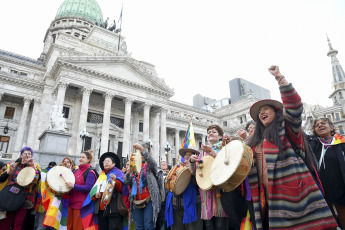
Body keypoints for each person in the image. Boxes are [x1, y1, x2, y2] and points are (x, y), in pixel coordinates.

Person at [244, 65, 337, 229]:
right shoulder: (253, 143)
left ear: (277, 112)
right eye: (259, 112)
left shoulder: (287, 129)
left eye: (266, 108)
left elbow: (294, 105)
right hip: (267, 199)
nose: (262, 112)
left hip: (296, 196)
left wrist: (280, 78)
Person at [190, 124, 229, 230]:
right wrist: (192, 161)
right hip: (206, 195)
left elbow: (227, 166)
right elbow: (196, 173)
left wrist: (212, 152)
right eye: (208, 132)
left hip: (220, 194)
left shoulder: (225, 148)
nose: (210, 133)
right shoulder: (202, 153)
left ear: (220, 136)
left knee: (221, 225)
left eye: (214, 132)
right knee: (208, 226)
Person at [308, 117, 345, 228]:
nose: (320, 125)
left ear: (331, 127)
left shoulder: (341, 143)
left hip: (340, 188)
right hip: (320, 190)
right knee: (328, 222)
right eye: (316, 125)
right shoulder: (312, 144)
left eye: (323, 123)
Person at [82, 152, 130, 230]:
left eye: (108, 161)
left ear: (114, 163)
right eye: (104, 162)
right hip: (100, 209)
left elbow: (123, 189)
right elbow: (93, 191)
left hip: (114, 209)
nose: (106, 163)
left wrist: (115, 180)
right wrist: (95, 195)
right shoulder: (102, 175)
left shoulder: (119, 173)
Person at [0, 147, 41, 230]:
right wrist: (8, 171)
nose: (27, 155)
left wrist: (32, 165)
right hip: (11, 196)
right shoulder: (14, 165)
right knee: (6, 221)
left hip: (25, 197)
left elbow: (38, 178)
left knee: (19, 223)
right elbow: (1, 179)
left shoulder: (34, 166)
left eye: (29, 154)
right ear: (21, 155)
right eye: (25, 153)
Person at [124, 142, 161, 230]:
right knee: (138, 227)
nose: (141, 154)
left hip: (149, 200)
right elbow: (126, 181)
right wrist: (128, 173)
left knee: (148, 226)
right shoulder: (134, 165)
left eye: (144, 152)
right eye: (140, 152)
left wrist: (142, 149)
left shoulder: (150, 166)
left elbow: (153, 162)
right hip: (136, 201)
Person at [165, 147, 203, 230]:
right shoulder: (177, 167)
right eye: (186, 154)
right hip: (176, 206)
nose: (187, 156)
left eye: (190, 155)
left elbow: (198, 183)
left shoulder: (199, 168)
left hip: (193, 206)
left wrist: (191, 166)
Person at [65, 150, 97, 230]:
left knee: (77, 228)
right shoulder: (76, 171)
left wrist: (73, 186)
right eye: (80, 157)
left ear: (89, 159)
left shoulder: (90, 172)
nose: (80, 159)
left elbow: (89, 188)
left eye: (83, 157)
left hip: (81, 206)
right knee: (69, 227)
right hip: (71, 203)